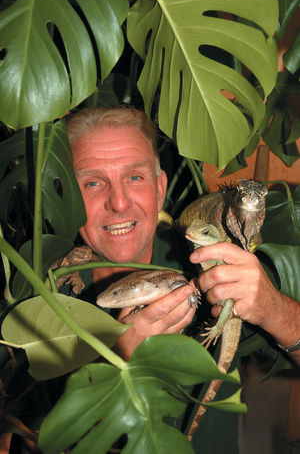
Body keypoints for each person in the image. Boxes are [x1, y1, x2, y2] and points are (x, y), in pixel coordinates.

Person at [65, 105, 299, 454]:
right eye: (93, 182)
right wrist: (117, 366)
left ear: (160, 188)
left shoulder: (213, 259)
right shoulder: (43, 288)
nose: (117, 202)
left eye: (134, 177)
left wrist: (272, 309)